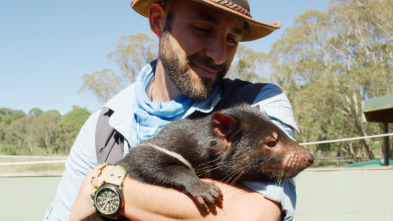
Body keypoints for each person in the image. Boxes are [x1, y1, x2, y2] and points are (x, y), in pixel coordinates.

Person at [44, 0, 299, 220]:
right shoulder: (103, 125)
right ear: (157, 21)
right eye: (203, 29)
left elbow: (255, 216)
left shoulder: (258, 106)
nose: (219, 55)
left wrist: (108, 187)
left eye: (232, 39)